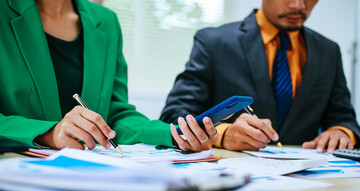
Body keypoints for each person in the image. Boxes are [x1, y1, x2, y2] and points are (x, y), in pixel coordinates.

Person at [0, 0, 219, 152]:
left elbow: (114, 114)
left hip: (88, 172)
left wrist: (172, 135)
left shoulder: (106, 21)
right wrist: (49, 133)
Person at [160, 0, 360, 153]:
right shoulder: (214, 42)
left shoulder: (328, 51)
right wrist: (222, 134)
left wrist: (342, 131)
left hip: (309, 179)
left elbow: (343, 117)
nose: (299, 5)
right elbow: (174, 115)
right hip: (231, 178)